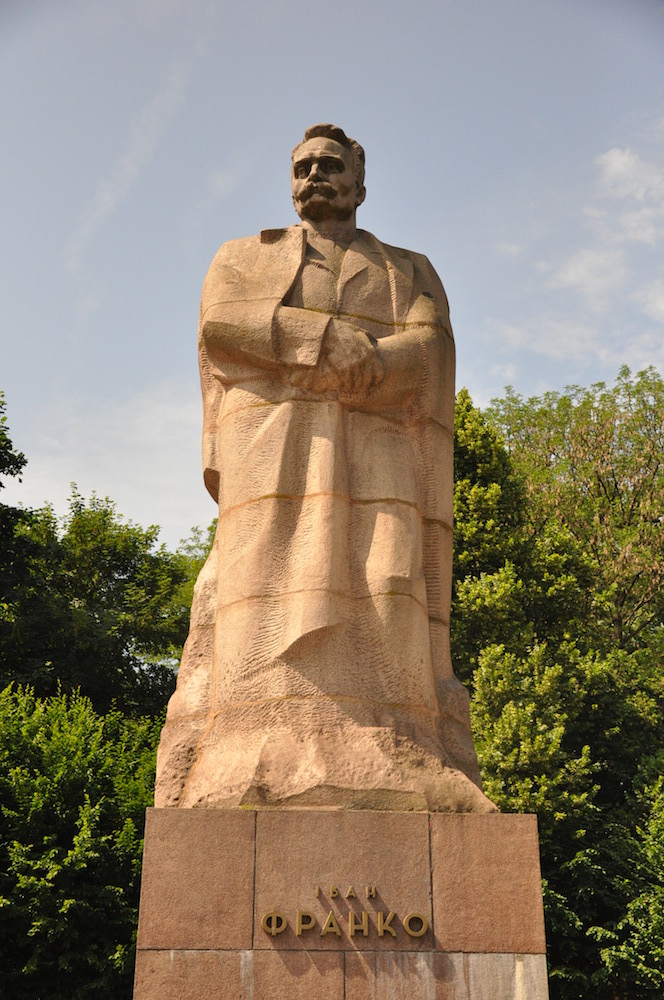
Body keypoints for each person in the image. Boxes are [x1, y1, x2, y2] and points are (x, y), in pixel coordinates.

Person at [155, 124, 494, 812]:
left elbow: (428, 349)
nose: (315, 174)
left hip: (378, 445)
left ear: (360, 185)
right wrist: (321, 340)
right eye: (304, 165)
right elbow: (223, 324)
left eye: (331, 165)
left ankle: (402, 740)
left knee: (388, 576)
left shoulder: (409, 269)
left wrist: (364, 365)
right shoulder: (245, 256)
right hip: (272, 450)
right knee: (260, 586)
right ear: (290, 181)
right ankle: (249, 746)